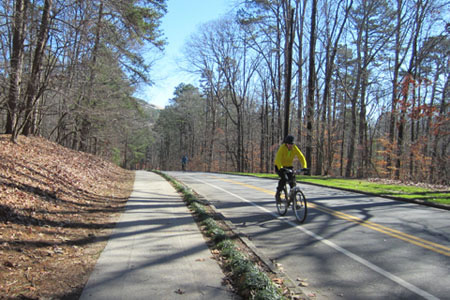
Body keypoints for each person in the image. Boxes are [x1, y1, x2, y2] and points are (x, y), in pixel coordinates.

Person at [274, 135, 308, 201]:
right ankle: (278, 194)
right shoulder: (282, 148)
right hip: (279, 166)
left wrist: (304, 167)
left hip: (288, 166)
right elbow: (278, 159)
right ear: (286, 143)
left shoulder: (294, 148)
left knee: (292, 181)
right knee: (284, 178)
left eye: (291, 144)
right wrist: (280, 168)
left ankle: (293, 199)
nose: (290, 145)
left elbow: (301, 157)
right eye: (289, 144)